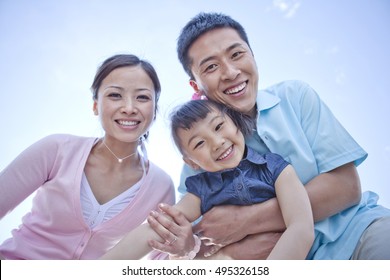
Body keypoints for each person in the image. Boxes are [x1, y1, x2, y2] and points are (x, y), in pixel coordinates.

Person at [148, 12, 390, 260]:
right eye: (211, 66)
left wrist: (248, 220)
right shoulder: (197, 162)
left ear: (253, 56)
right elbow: (199, 244)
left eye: (237, 54)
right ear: (196, 85)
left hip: (358, 233)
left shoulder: (294, 96)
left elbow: (346, 187)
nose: (230, 72)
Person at [0, 54, 175, 259]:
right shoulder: (57, 150)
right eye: (115, 95)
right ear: (95, 106)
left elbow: (162, 260)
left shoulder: (161, 187)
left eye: (143, 97)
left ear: (154, 110)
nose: (129, 108)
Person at [100, 99, 314, 260]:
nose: (217, 143)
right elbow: (160, 227)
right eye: (199, 143)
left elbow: (301, 227)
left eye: (219, 127)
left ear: (236, 123)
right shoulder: (202, 190)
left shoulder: (275, 168)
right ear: (192, 162)